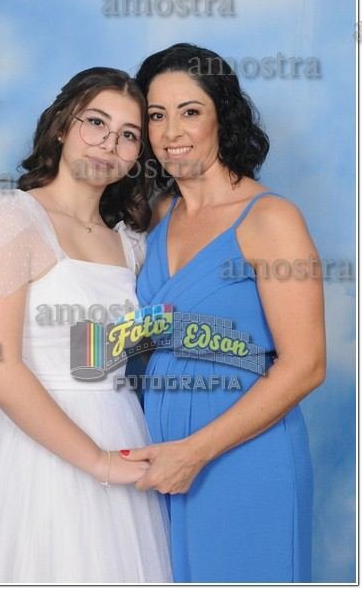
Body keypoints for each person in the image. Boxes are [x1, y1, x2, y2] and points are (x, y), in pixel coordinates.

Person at [0, 68, 172, 583]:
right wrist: (99, 462)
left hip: (120, 428)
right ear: (62, 126)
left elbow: (120, 353)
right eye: (96, 122)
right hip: (34, 445)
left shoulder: (130, 242)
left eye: (128, 134)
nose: (109, 144)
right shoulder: (10, 217)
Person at [120, 43, 326, 582]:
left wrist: (195, 452)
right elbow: (135, 337)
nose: (172, 132)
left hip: (242, 456)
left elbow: (306, 365)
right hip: (161, 455)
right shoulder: (156, 215)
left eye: (190, 111)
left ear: (222, 117)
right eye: (156, 115)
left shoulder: (270, 219)